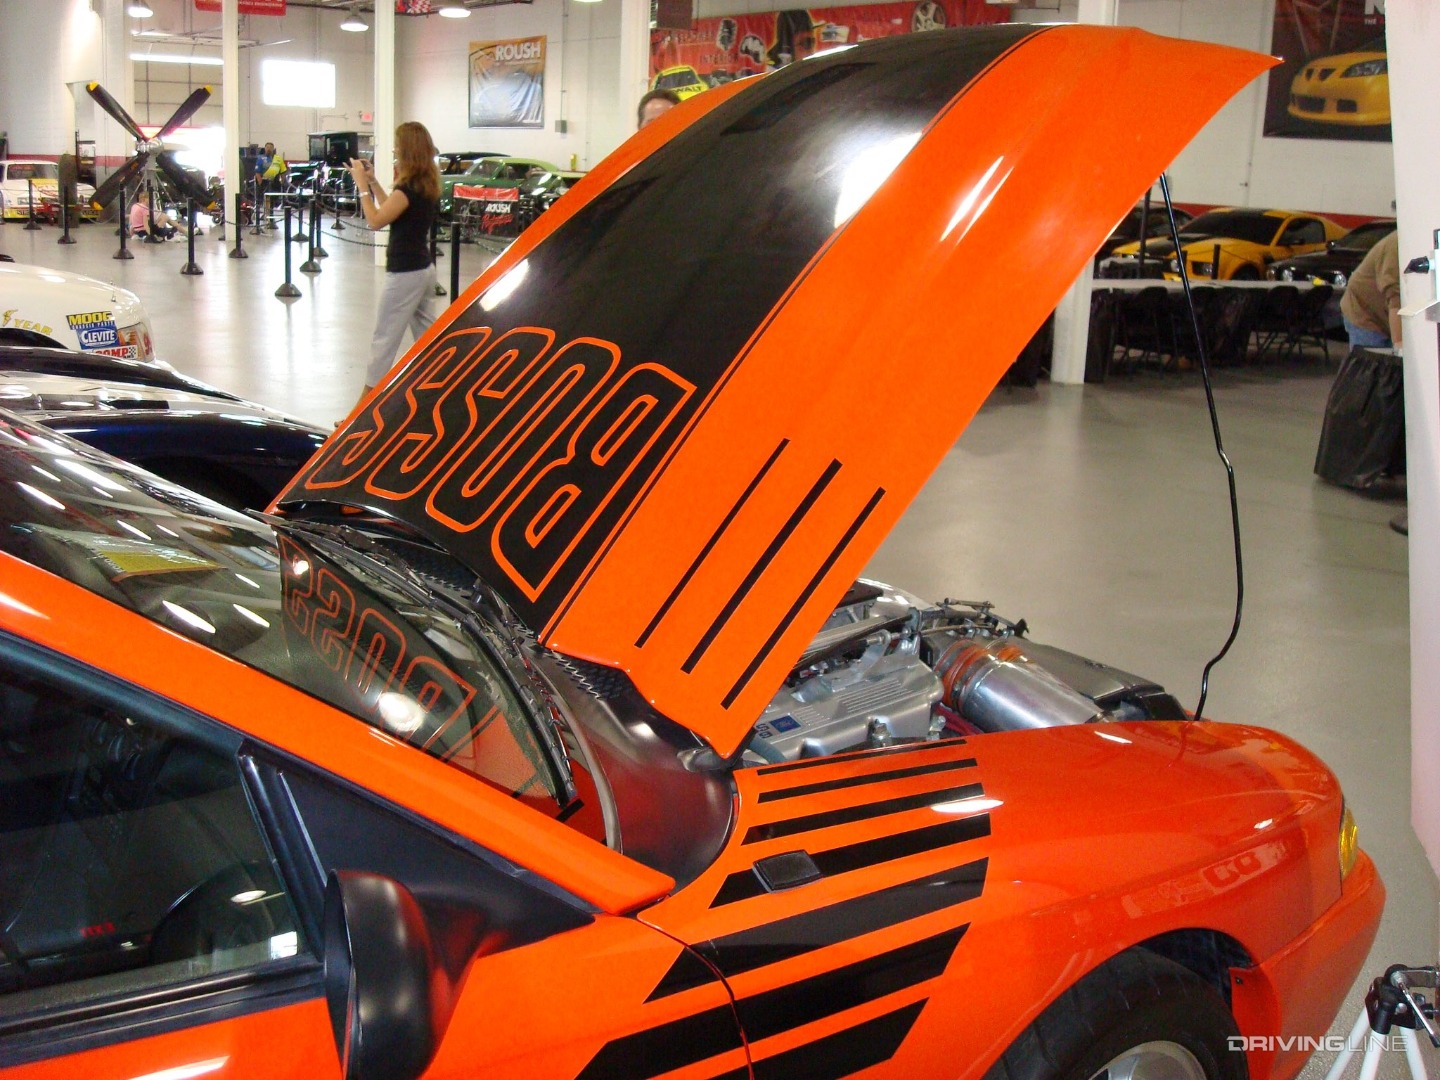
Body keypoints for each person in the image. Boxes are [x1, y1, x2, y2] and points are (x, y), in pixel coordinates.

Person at [350, 121, 440, 403]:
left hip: (404, 274)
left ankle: (362, 410)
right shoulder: (423, 185)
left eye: (398, 147)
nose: (394, 150)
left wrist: (362, 187)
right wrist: (374, 181)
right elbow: (393, 208)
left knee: (384, 340)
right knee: (429, 338)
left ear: (407, 151)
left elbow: (376, 220)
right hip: (423, 270)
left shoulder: (407, 190)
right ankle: (445, 385)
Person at [1339, 230, 1401, 348]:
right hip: (1363, 311)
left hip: (1385, 314)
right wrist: (1399, 346)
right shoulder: (1397, 245)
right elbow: (1396, 300)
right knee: (1371, 363)